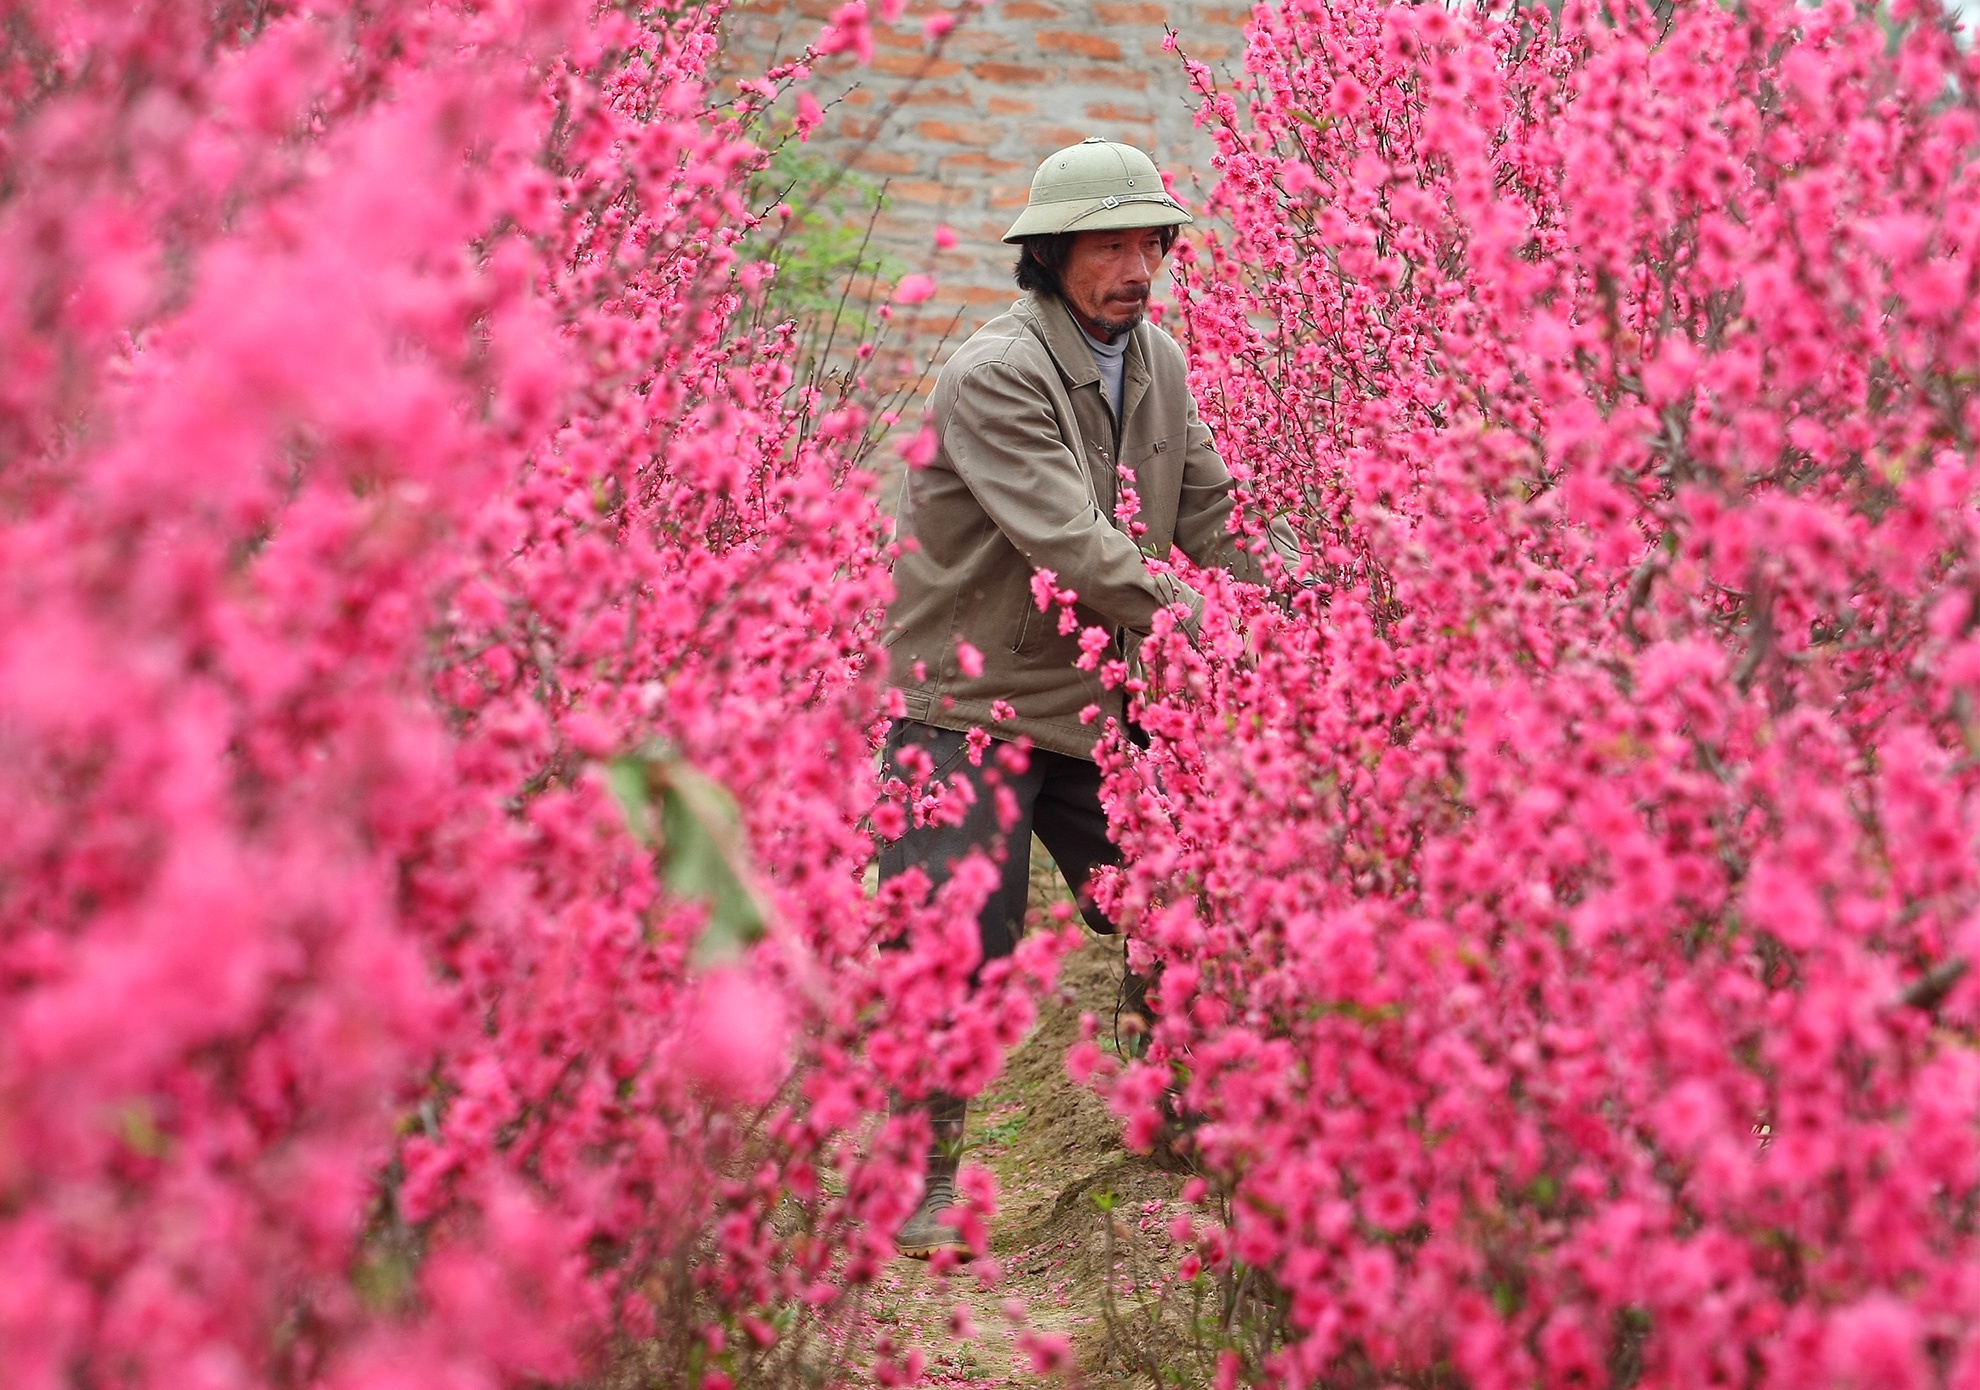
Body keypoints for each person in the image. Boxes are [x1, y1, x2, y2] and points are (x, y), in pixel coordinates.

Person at [880, 137, 1295, 1257]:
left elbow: (1217, 516)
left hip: (1105, 700)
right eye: (1108, 246)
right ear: (1052, 257)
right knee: (955, 937)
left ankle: (1186, 1130)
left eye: (1148, 243)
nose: (1135, 267)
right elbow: (1073, 544)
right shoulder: (997, 371)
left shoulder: (1156, 359)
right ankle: (920, 1181)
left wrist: (1307, 603)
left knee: (1186, 900)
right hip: (969, 705)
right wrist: (1219, 622)